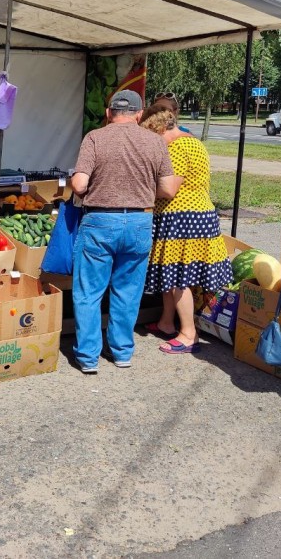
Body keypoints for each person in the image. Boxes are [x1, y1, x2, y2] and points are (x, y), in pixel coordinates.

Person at [71, 90, 179, 373]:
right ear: (139, 114)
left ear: (109, 113)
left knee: (89, 292)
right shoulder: (155, 142)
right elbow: (168, 189)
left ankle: (87, 357)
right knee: (128, 292)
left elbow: (80, 185)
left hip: (99, 223)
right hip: (139, 223)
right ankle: (121, 352)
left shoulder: (95, 137)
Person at [139, 100, 232, 353]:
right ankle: (167, 322)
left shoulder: (178, 147)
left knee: (180, 278)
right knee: (172, 276)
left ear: (158, 129)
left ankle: (188, 334)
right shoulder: (194, 142)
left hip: (183, 219)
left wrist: (141, 187)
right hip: (193, 216)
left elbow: (169, 189)